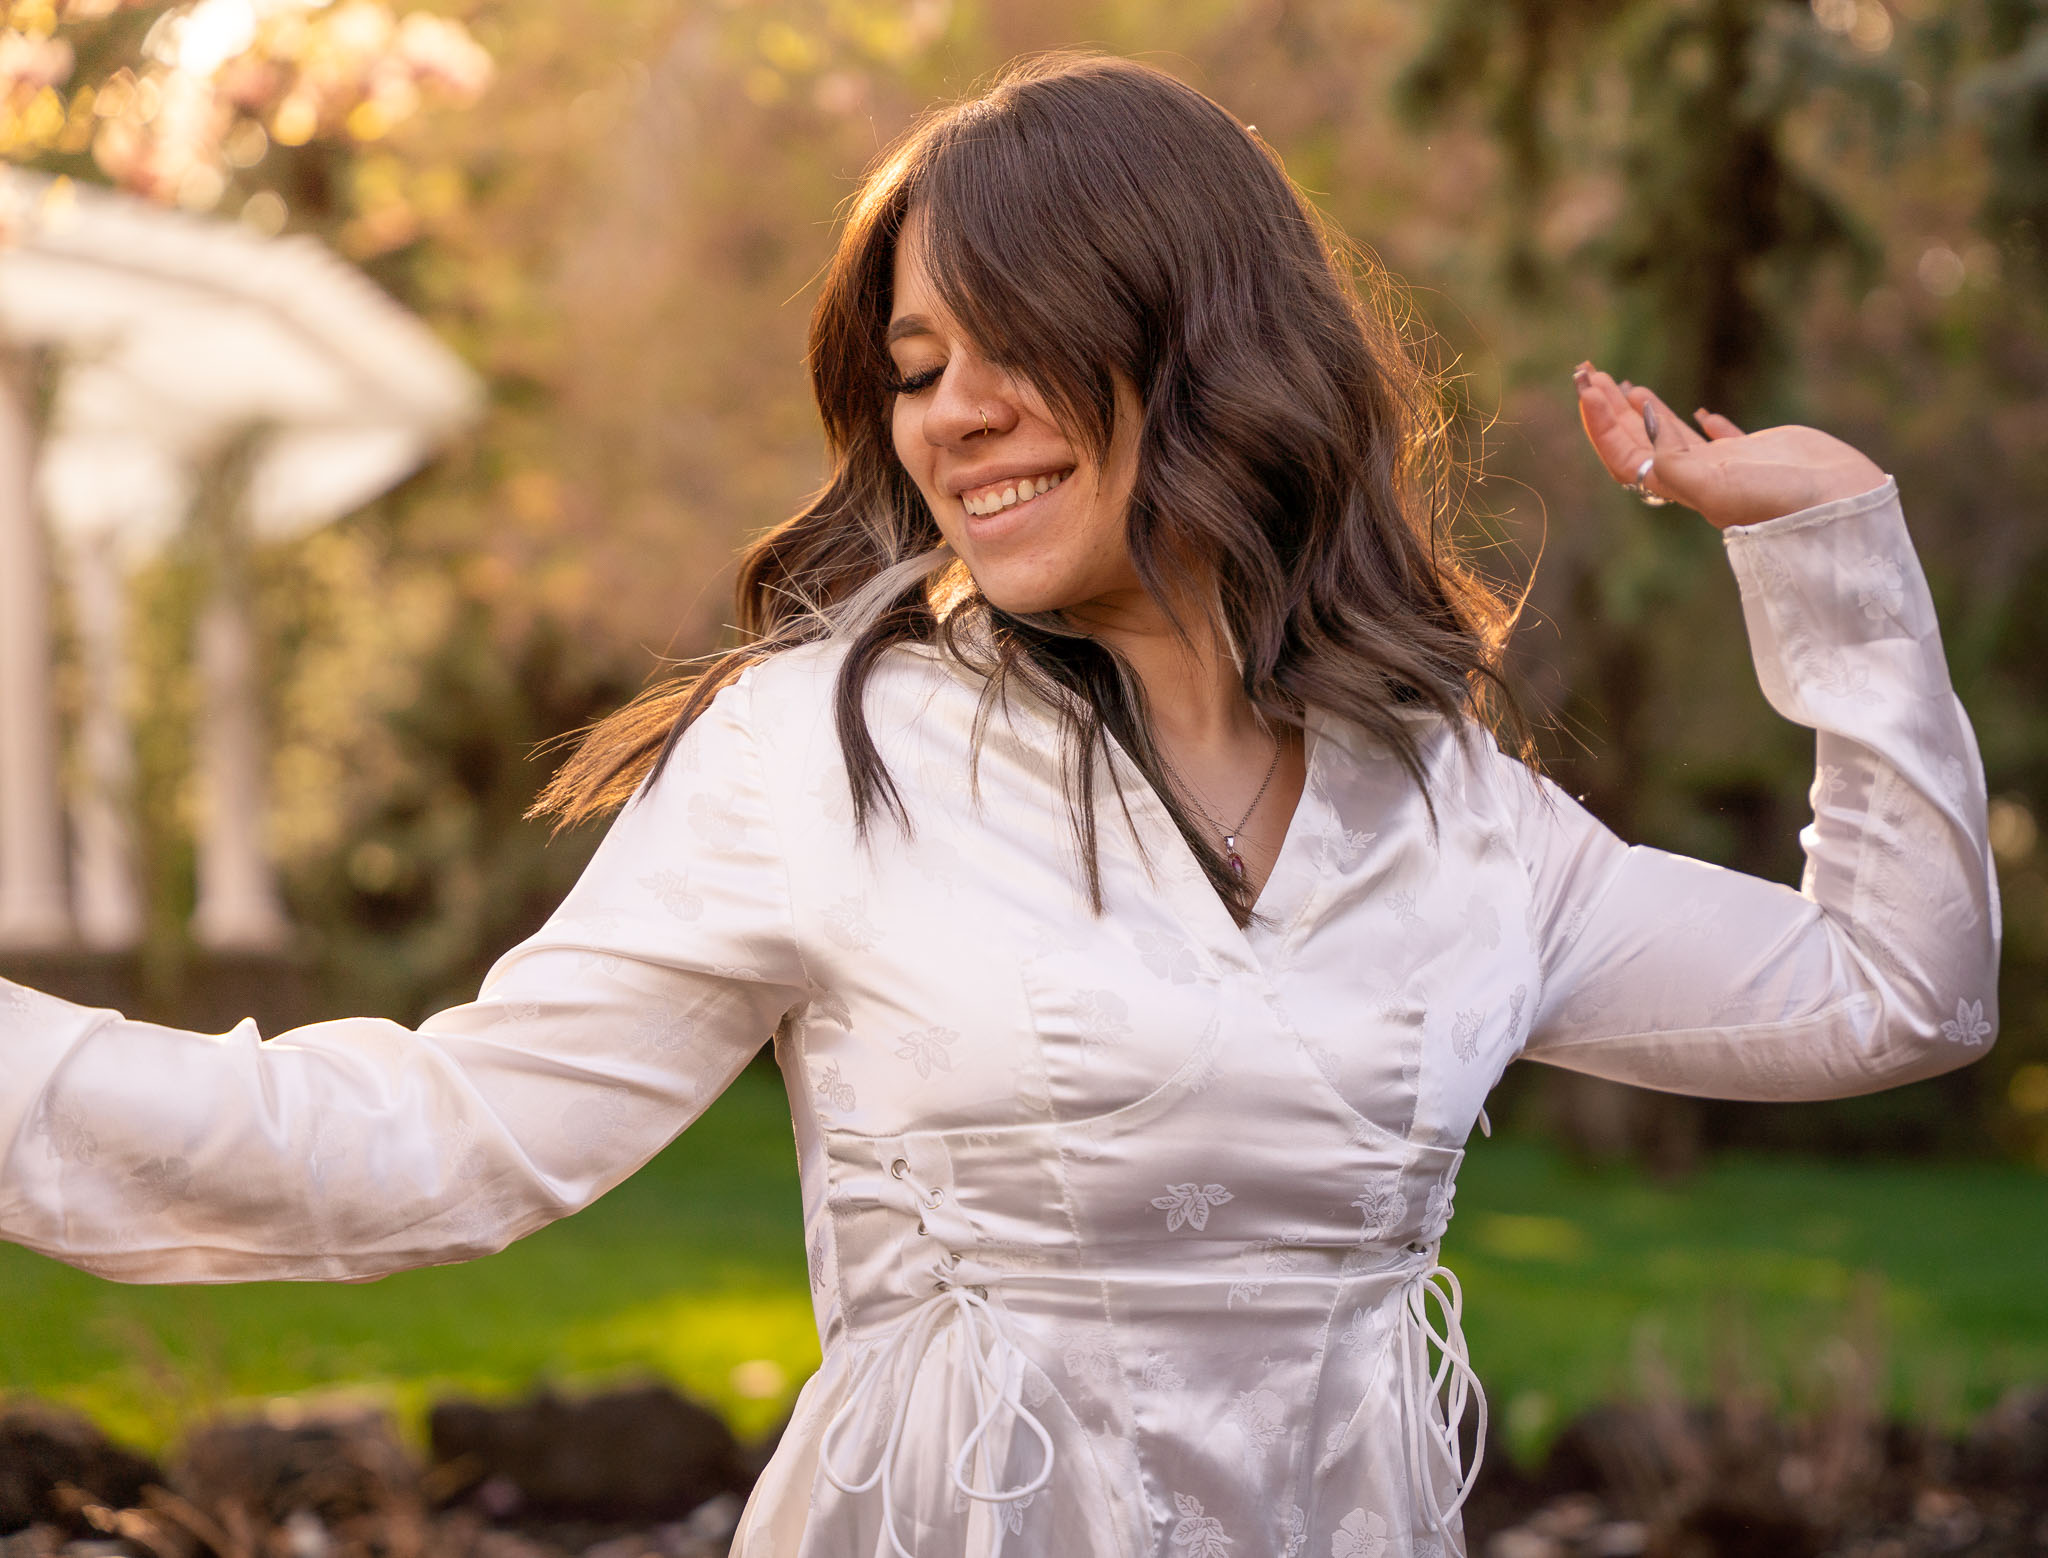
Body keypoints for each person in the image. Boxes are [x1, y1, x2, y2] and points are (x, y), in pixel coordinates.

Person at [0, 52, 1999, 1558]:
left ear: (1195, 337)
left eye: (1003, 343)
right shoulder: (818, 751)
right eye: (909, 363)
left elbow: (1891, 995)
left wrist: (1831, 557)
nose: (939, 412)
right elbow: (434, 1141)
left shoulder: (1457, 817)